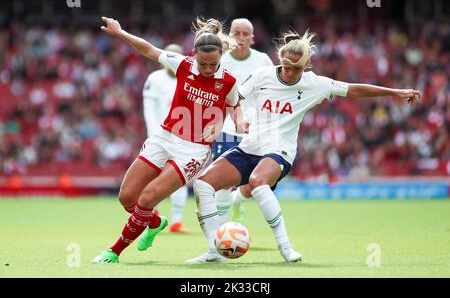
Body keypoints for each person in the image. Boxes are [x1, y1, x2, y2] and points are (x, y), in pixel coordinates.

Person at [187, 29, 421, 264]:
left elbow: (354, 89)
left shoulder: (315, 84)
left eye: (296, 69)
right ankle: (214, 251)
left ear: (306, 65)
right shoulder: (261, 76)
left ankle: (286, 247)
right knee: (203, 184)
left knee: (258, 182)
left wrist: (395, 92)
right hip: (249, 147)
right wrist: (230, 119)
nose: (289, 73)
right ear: (280, 60)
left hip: (279, 152)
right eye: (286, 67)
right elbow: (234, 98)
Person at [92, 16, 242, 264]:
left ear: (220, 57)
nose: (207, 69)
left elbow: (234, 105)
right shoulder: (182, 64)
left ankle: (114, 251)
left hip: (193, 150)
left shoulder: (228, 81)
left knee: (148, 197)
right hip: (164, 137)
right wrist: (120, 32)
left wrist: (225, 123)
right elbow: (148, 49)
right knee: (127, 197)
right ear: (193, 55)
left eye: (213, 64)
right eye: (203, 63)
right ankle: (154, 222)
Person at [213, 18, 273, 225]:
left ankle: (237, 200)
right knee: (221, 182)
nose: (240, 38)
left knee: (255, 182)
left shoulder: (263, 60)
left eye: (245, 33)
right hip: (226, 128)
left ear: (252, 37)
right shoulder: (221, 60)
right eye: (236, 33)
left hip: (255, 129)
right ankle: (221, 234)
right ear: (230, 36)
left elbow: (271, 91)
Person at [142, 43, 191, 233]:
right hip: (159, 137)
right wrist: (153, 136)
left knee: (178, 178)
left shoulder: (188, 79)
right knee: (153, 178)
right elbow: (149, 111)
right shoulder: (154, 79)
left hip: (182, 138)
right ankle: (153, 217)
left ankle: (176, 222)